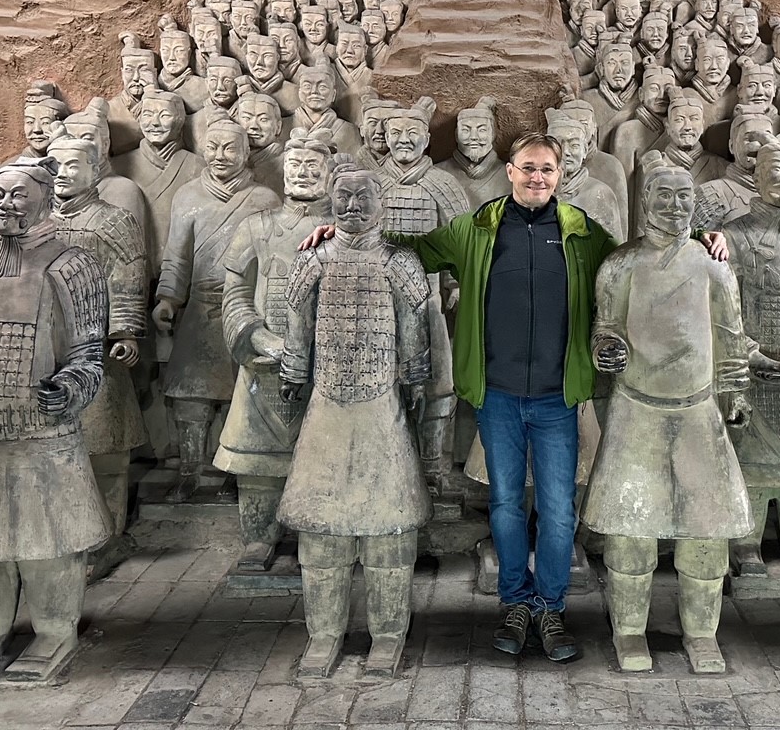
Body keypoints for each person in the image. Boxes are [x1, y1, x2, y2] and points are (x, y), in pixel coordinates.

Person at [302, 131, 727, 663]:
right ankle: (514, 604)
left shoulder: (580, 232)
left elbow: (639, 251)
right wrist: (338, 232)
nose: (537, 177)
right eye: (528, 168)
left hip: (556, 396)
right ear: (510, 171)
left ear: (559, 174)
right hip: (497, 394)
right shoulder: (476, 228)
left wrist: (706, 233)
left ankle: (549, 608)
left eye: (547, 169)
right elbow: (413, 250)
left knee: (555, 509)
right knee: (504, 506)